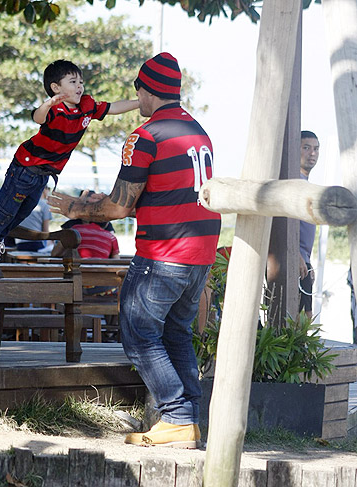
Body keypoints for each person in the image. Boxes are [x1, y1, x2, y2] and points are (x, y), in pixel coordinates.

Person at [48, 52, 221, 448]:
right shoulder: (199, 133)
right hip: (200, 253)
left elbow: (119, 206)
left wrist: (75, 207)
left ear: (146, 91)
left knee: (138, 332)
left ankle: (177, 416)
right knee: (176, 333)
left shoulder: (147, 135)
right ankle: (188, 423)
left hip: (164, 252)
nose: (137, 100)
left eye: (138, 91)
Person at [0, 59, 139, 273]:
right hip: (25, 167)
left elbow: (113, 107)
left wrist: (140, 102)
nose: (79, 86)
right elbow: (38, 118)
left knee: (24, 210)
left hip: (44, 174)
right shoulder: (54, 109)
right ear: (56, 88)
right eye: (73, 81)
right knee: (5, 209)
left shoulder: (86, 108)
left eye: (81, 82)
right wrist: (47, 104)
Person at [298, 131, 320, 318]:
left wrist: (307, 260)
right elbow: (280, 223)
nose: (312, 153)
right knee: (300, 322)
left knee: (306, 319)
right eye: (306, 148)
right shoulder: (294, 183)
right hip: (292, 261)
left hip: (303, 260)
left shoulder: (306, 183)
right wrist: (294, 255)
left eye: (316, 148)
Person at [15, 186, 53, 252]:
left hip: (19, 243)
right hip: (36, 244)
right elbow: (45, 231)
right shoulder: (45, 206)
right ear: (44, 189)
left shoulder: (20, 203)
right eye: (48, 189)